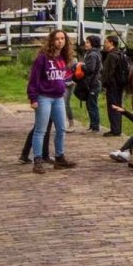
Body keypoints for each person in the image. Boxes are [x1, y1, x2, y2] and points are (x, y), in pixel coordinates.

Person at [26, 29, 77, 174]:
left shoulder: (62, 58)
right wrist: (33, 98)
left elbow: (62, 76)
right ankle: (38, 159)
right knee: (40, 129)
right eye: (57, 39)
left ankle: (59, 157)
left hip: (58, 97)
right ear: (51, 41)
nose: (60, 41)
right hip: (44, 97)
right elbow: (34, 79)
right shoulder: (42, 58)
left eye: (63, 39)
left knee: (61, 128)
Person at [101, 35, 131, 137]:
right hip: (120, 84)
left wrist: (105, 83)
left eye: (106, 42)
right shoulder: (121, 54)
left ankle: (115, 130)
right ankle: (117, 128)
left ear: (111, 43)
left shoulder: (111, 55)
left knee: (112, 106)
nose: (104, 44)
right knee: (118, 106)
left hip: (112, 85)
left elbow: (109, 72)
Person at [77, 36, 103, 133]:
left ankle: (95, 127)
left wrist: (81, 66)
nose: (86, 44)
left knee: (92, 105)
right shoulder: (95, 53)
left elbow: (90, 69)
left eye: (88, 42)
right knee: (90, 105)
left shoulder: (92, 54)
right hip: (92, 83)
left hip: (93, 84)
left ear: (93, 43)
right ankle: (92, 125)